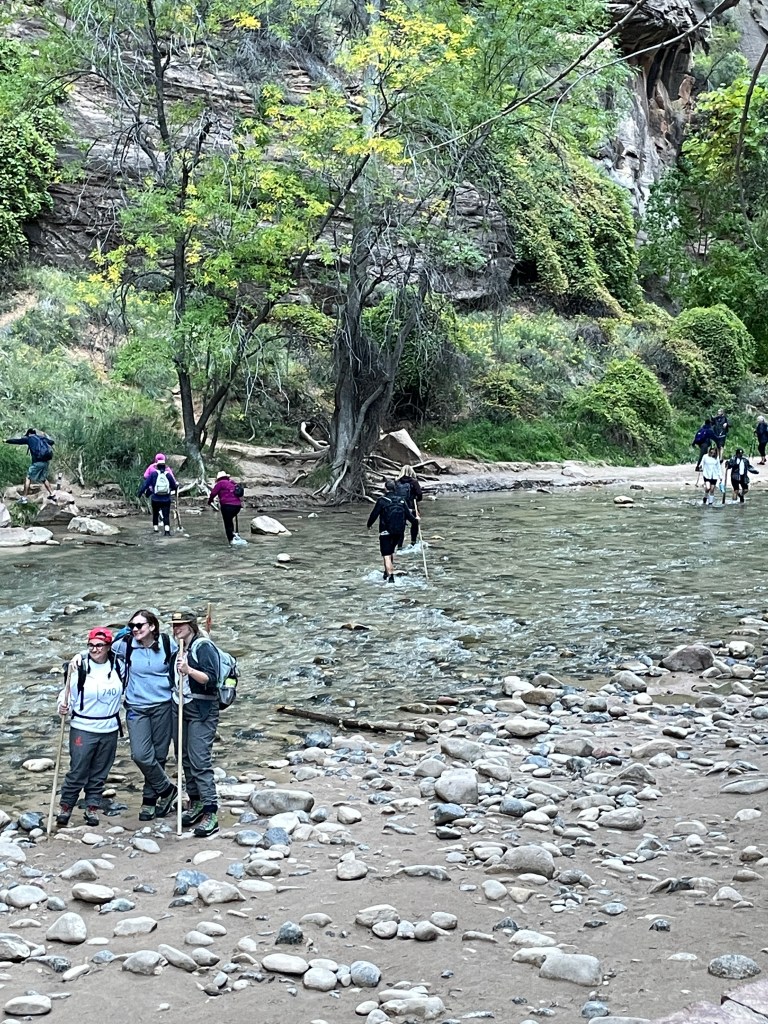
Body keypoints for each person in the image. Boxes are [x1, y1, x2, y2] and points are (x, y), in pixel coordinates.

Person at [112, 610, 178, 821]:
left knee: (159, 756)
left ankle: (149, 801)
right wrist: (78, 658)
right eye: (132, 625)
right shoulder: (125, 645)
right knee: (140, 755)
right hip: (136, 707)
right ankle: (167, 790)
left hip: (163, 705)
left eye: (139, 625)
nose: (135, 629)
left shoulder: (167, 644)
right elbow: (100, 651)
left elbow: (185, 656)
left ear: (152, 626)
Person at [56, 628, 124, 827]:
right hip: (83, 726)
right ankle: (66, 806)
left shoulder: (118, 665)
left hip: (109, 727)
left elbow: (127, 633)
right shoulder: (79, 667)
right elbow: (67, 693)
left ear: (108, 646)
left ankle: (92, 807)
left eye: (99, 645)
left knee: (100, 771)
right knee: (78, 770)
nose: (95, 649)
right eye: (91, 645)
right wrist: (62, 706)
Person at [170, 611, 221, 838]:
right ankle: (196, 801)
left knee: (199, 759)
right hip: (180, 706)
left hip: (202, 709)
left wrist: (188, 670)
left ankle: (210, 811)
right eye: (174, 625)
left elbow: (212, 679)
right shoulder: (180, 647)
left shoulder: (203, 647)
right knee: (184, 757)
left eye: (180, 625)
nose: (176, 629)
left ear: (191, 625)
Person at [367, 479, 418, 582]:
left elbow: (374, 514)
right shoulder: (401, 500)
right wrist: (416, 520)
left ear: (385, 488)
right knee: (390, 551)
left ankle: (390, 577)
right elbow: (410, 517)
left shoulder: (382, 501)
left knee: (386, 555)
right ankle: (386, 573)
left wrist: (369, 525)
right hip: (398, 532)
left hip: (385, 531)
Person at [5, 427, 55, 498]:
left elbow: (17, 441)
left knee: (28, 478)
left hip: (37, 462)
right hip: (46, 462)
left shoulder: (29, 438)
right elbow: (52, 442)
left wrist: (6, 441)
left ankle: (24, 497)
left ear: (29, 434)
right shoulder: (42, 438)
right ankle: (52, 494)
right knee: (43, 479)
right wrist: (45, 435)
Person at [138, 455, 178, 535]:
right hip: (166, 499)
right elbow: (174, 486)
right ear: (164, 466)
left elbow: (145, 484)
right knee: (166, 515)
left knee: (155, 514)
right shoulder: (168, 475)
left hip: (155, 498)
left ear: (157, 466)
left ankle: (156, 530)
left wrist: (140, 493)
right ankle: (167, 531)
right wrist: (174, 489)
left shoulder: (153, 474)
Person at [207, 470, 245, 546]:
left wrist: (210, 501)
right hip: (237, 506)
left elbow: (213, 493)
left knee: (227, 523)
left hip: (227, 506)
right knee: (230, 521)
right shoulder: (232, 483)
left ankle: (231, 541)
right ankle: (234, 536)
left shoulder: (220, 483)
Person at [395, 465, 424, 547]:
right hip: (412, 507)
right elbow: (419, 494)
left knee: (401, 526)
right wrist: (417, 499)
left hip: (400, 507)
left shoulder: (397, 482)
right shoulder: (414, 482)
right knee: (415, 523)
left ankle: (399, 546)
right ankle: (413, 542)